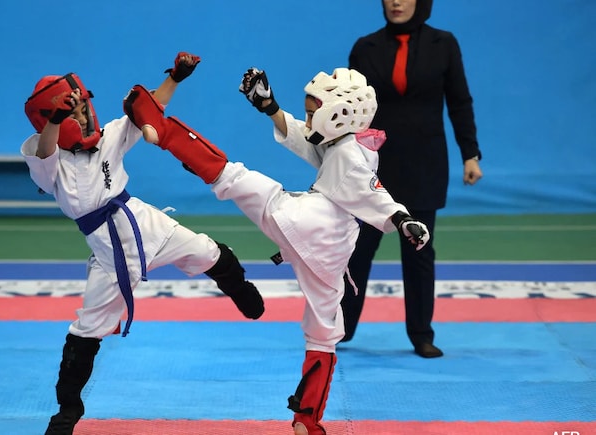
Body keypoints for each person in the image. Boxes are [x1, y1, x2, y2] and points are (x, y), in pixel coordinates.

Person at [122, 66, 431, 435]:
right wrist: (270, 107)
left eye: (315, 110)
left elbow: (375, 192)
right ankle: (307, 419)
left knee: (230, 176)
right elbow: (310, 141)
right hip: (332, 252)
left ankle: (161, 128)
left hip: (305, 222)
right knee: (323, 333)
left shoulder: (352, 157)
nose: (310, 117)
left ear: (340, 113)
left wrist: (402, 219)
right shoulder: (344, 142)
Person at [21, 52, 265, 435]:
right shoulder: (48, 161)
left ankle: (239, 287)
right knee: (86, 331)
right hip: (108, 254)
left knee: (209, 252)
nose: (82, 116)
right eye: (72, 112)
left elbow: (150, 108)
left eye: (83, 106)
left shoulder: (109, 138)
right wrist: (56, 119)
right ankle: (67, 411)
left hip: (143, 223)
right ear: (49, 119)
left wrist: (176, 78)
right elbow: (45, 148)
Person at [341, 0, 483, 358]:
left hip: (425, 165)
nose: (396, 2)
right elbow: (346, 108)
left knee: (419, 253)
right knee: (358, 251)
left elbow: (459, 100)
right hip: (373, 167)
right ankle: (340, 328)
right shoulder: (365, 47)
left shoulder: (444, 44)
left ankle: (422, 335)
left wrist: (471, 154)